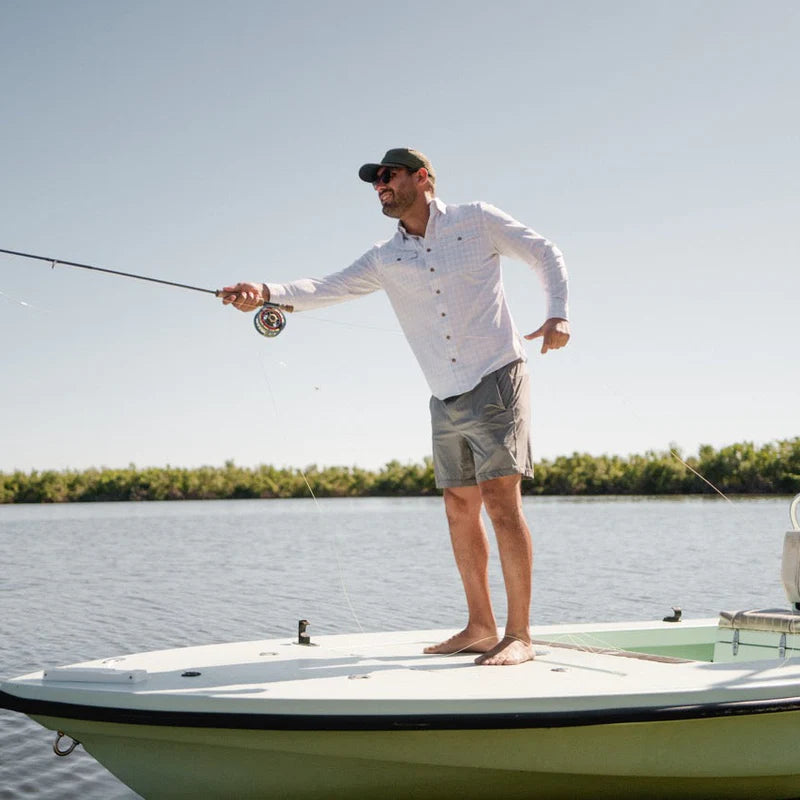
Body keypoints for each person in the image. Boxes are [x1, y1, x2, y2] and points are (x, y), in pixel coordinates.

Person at [222, 148, 570, 666]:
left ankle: (519, 635)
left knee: (501, 501)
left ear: (422, 177)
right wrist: (266, 291)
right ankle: (481, 627)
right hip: (444, 393)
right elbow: (326, 287)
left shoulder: (476, 220)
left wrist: (558, 314)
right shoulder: (385, 256)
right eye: (375, 181)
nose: (379, 185)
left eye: (388, 175)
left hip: (497, 374)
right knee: (458, 506)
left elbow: (544, 252)